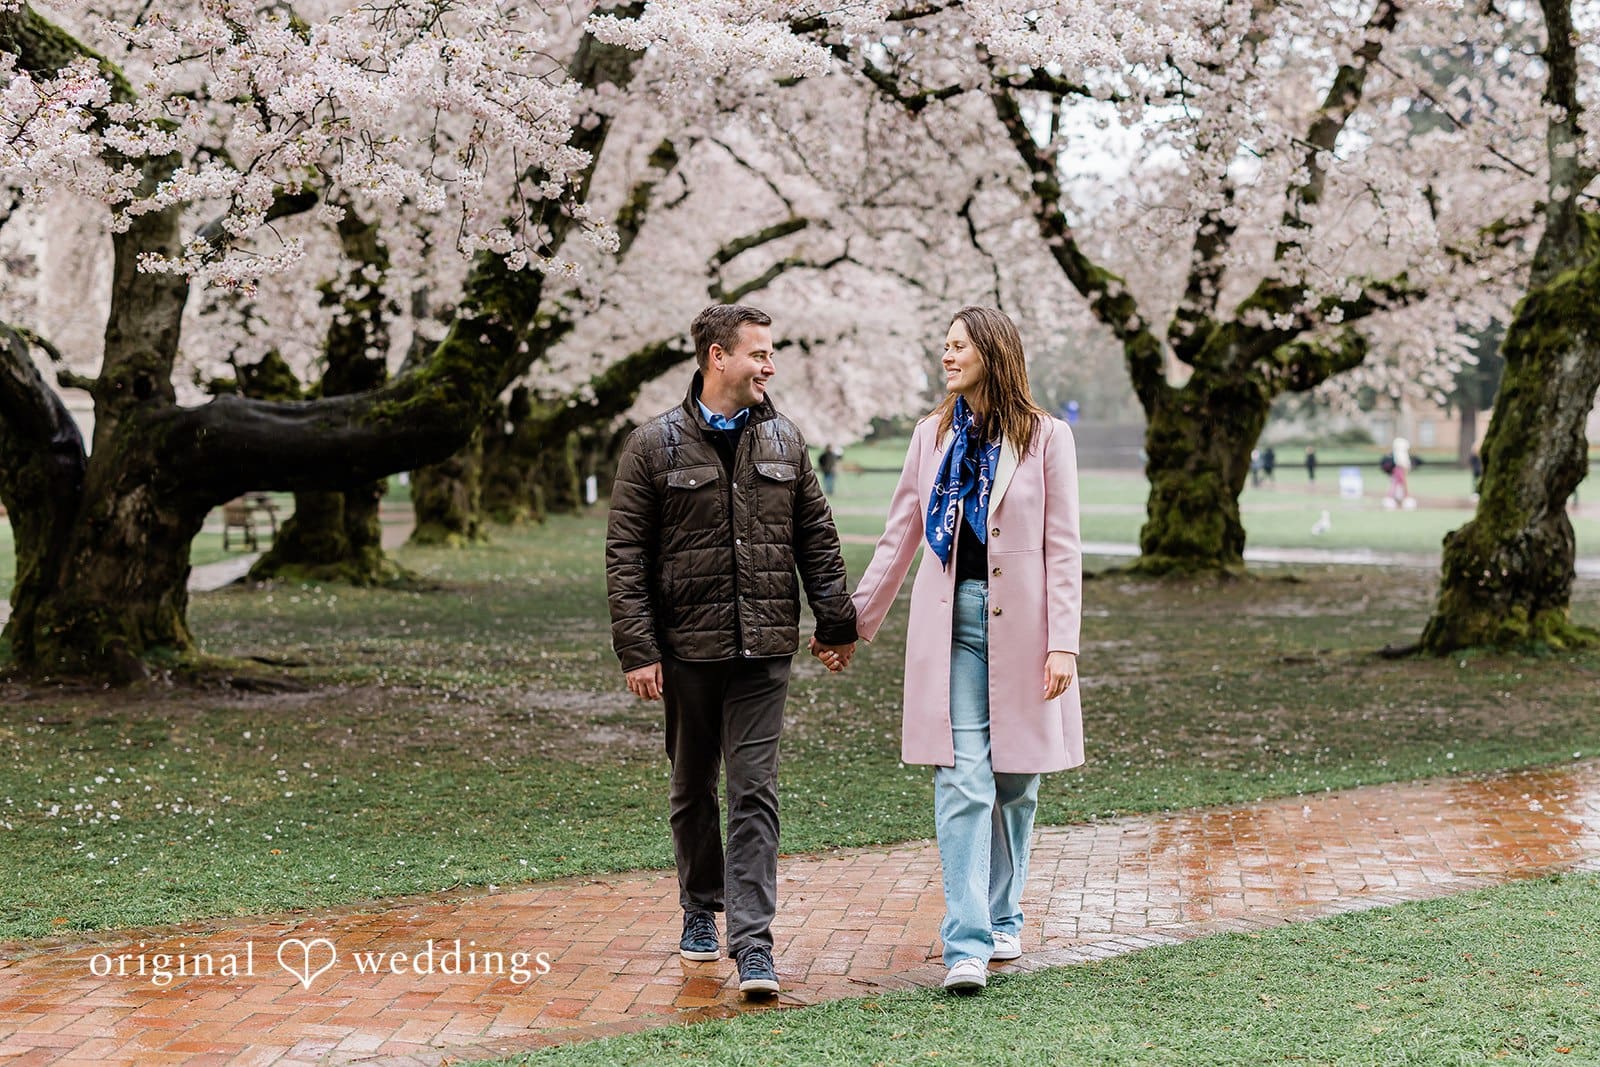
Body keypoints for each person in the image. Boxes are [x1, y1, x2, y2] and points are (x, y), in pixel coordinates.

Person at [606, 303, 858, 998]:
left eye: (770, 354)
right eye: (758, 353)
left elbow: (818, 538)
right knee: (692, 788)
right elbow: (625, 556)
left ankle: (752, 944)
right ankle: (699, 906)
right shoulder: (651, 446)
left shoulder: (785, 440)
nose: (769, 366)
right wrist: (638, 649)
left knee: (755, 789)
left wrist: (836, 623)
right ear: (717, 356)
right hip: (687, 651)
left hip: (764, 651)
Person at [837, 306, 1083, 994]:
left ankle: (1006, 913)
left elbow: (1062, 547)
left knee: (1016, 781)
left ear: (992, 352)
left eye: (958, 345)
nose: (946, 356)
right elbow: (899, 537)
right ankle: (966, 943)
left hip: (1026, 629)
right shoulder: (930, 435)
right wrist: (851, 625)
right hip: (950, 624)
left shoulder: (1046, 438)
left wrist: (1063, 643)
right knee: (961, 778)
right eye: (943, 346)